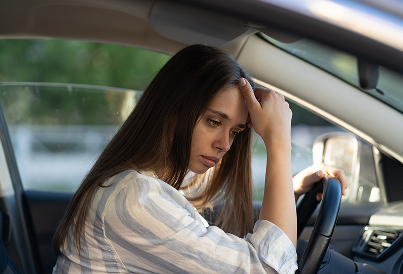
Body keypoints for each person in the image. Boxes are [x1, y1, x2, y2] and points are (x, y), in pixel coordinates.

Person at [52, 44, 347, 274]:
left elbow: (207, 228)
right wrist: (278, 142)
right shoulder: (135, 198)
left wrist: (290, 187)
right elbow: (269, 268)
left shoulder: (153, 181)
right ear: (172, 110)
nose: (224, 145)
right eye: (214, 122)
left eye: (235, 131)